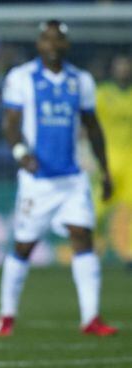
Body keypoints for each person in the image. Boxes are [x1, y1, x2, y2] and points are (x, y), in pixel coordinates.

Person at [0, 20, 117, 337]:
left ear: (66, 45)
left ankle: (91, 318)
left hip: (73, 178)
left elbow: (92, 127)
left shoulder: (81, 81)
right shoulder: (21, 78)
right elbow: (10, 123)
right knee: (24, 246)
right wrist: (21, 153)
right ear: (39, 44)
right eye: (47, 39)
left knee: (82, 236)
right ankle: (7, 314)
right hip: (38, 180)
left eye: (58, 40)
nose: (53, 45)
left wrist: (104, 172)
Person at [95, 55, 132, 267]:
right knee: (98, 208)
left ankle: (129, 256)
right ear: (113, 69)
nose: (123, 71)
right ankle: (92, 248)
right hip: (107, 160)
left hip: (131, 161)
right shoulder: (102, 94)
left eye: (126, 67)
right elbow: (88, 125)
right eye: (120, 67)